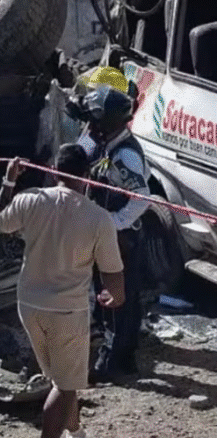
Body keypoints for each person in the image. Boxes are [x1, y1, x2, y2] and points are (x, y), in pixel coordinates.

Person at [0, 144, 127, 438]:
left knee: (61, 378)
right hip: (67, 311)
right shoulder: (98, 218)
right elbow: (112, 271)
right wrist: (116, 295)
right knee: (65, 385)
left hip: (28, 304)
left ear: (53, 170)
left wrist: (9, 181)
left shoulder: (31, 199)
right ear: (87, 175)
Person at [69, 80, 151, 381]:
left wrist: (113, 223)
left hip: (121, 238)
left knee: (121, 299)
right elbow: (78, 153)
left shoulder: (125, 155)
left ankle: (115, 361)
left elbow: (142, 199)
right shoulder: (103, 142)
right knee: (104, 294)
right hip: (104, 235)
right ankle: (114, 350)